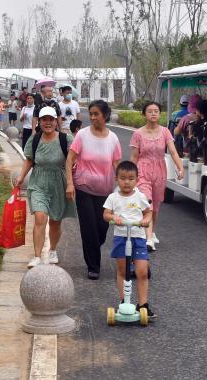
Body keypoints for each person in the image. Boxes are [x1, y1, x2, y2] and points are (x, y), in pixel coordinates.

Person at [14, 107, 77, 268]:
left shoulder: (65, 138)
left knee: (55, 221)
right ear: (39, 122)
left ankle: (53, 249)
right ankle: (36, 256)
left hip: (59, 183)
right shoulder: (34, 140)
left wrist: (71, 183)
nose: (48, 123)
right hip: (38, 183)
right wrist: (21, 177)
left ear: (56, 121)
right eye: (44, 120)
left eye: (51, 119)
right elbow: (29, 160)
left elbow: (72, 160)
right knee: (40, 217)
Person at [66, 100, 122, 280]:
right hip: (83, 187)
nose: (93, 117)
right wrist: (70, 183)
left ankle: (92, 249)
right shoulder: (82, 135)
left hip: (105, 190)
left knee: (101, 228)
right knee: (89, 227)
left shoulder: (113, 138)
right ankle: (93, 266)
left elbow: (116, 164)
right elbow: (69, 160)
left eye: (96, 114)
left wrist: (123, 188)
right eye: (91, 114)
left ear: (105, 115)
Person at [130, 101, 184, 251]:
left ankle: (152, 232)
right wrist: (130, 175)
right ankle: (148, 240)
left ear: (160, 114)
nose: (153, 113)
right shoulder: (138, 134)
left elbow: (173, 151)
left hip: (160, 170)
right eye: (150, 111)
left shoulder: (165, 132)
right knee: (147, 202)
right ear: (144, 114)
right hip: (142, 170)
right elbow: (134, 157)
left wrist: (180, 168)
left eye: (156, 111)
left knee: (156, 206)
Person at [103, 161, 153, 316]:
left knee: (142, 271)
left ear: (137, 180)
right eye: (123, 178)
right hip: (121, 237)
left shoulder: (140, 196)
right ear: (116, 179)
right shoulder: (113, 197)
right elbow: (105, 215)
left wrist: (146, 220)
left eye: (131, 178)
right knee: (123, 271)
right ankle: (124, 301)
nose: (127, 182)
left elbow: (148, 212)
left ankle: (143, 304)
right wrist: (113, 217)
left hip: (137, 237)